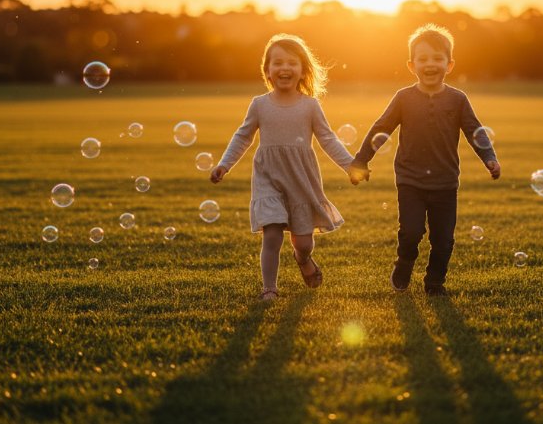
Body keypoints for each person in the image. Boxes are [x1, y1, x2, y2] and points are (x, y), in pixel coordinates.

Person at [350, 23, 501, 297]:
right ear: (411, 65)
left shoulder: (458, 99)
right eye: (422, 59)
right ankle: (404, 263)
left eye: (437, 58)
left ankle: (434, 282)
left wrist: (489, 158)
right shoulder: (404, 98)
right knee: (411, 231)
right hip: (410, 180)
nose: (430, 64)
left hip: (445, 182)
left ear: (450, 64)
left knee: (443, 240)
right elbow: (380, 129)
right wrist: (361, 160)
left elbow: (475, 132)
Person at [211, 33, 354, 301]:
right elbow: (243, 136)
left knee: (303, 241)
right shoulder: (259, 104)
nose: (284, 68)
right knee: (272, 233)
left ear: (302, 71)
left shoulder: (310, 106)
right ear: (267, 71)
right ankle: (269, 288)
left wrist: (349, 166)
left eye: (291, 63)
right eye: (277, 63)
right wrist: (224, 164)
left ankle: (303, 258)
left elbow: (327, 138)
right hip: (268, 177)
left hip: (301, 178)